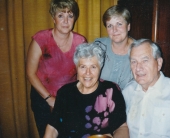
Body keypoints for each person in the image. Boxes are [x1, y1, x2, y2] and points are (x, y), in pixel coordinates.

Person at [26, 0, 87, 137]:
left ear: (74, 18)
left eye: (70, 16)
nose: (65, 21)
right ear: (53, 18)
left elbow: (82, 73)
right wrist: (49, 99)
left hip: (68, 99)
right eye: (61, 16)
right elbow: (30, 73)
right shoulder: (41, 39)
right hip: (42, 98)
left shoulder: (80, 42)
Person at [43, 43, 129, 138]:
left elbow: (121, 127)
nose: (88, 73)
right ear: (76, 68)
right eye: (83, 67)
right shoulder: (65, 93)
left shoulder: (111, 91)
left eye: (93, 67)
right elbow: (53, 128)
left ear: (100, 68)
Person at [122, 39, 170, 138]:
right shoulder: (127, 92)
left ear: (159, 63)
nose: (138, 68)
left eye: (145, 61)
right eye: (134, 62)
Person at [94, 5, 135, 90]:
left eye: (119, 24)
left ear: (128, 26)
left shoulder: (139, 49)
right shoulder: (98, 46)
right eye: (110, 26)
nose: (114, 30)